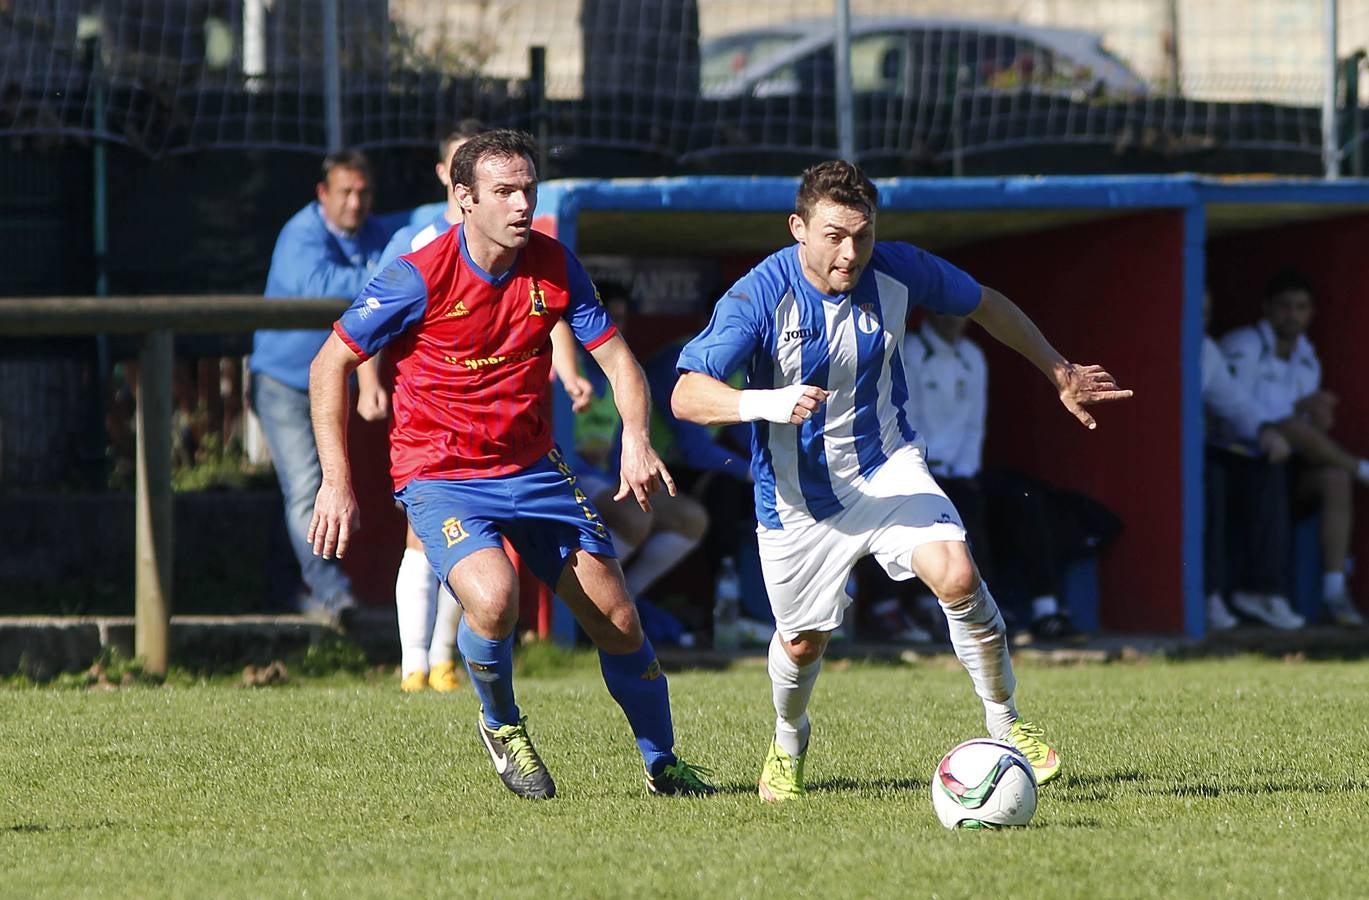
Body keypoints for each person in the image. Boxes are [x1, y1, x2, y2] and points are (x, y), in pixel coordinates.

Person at [671, 160, 1132, 801]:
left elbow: (987, 304)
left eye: (861, 234)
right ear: (798, 228)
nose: (850, 252)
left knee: (959, 575)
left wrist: (1058, 369)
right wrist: (762, 404)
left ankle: (1007, 728)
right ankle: (788, 738)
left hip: (888, 468)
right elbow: (688, 395)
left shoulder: (897, 267)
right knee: (802, 644)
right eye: (833, 235)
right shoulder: (756, 296)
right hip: (798, 501)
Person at [308, 129, 715, 800]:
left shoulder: (554, 265)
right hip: (440, 474)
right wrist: (336, 479)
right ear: (463, 199)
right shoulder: (417, 274)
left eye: (527, 188)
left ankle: (662, 762)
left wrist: (636, 439)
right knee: (495, 598)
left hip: (533, 470)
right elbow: (331, 361)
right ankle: (501, 725)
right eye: (504, 192)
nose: (522, 204)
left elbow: (618, 361)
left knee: (617, 619)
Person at [363, 121, 594, 693]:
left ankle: (443, 660)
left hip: (506, 435)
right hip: (436, 426)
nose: (517, 200)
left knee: (480, 555)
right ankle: (413, 662)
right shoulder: (417, 246)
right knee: (427, 540)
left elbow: (550, 313)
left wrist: (569, 372)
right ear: (453, 178)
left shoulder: (528, 250)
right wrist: (370, 384)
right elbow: (363, 321)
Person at [248, 148, 392, 623]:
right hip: (285, 383)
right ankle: (333, 597)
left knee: (313, 488)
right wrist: (389, 277)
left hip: (335, 384)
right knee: (309, 489)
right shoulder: (300, 233)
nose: (355, 203)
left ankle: (299, 591)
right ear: (322, 194)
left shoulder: (378, 232)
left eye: (364, 192)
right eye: (346, 192)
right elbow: (321, 285)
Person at [896, 310, 1101, 644]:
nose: (954, 317)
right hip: (920, 470)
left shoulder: (973, 357)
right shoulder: (911, 352)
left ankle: (1045, 610)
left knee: (1025, 500)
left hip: (962, 470)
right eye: (946, 307)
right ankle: (983, 616)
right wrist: (928, 470)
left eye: (961, 309)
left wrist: (967, 474)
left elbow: (974, 424)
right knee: (964, 520)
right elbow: (907, 415)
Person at [1220, 269, 1369, 627]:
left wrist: (1316, 419)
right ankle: (1363, 470)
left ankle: (1334, 591)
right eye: (1285, 307)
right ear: (1268, 309)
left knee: (1334, 478)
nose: (1293, 315)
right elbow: (1235, 411)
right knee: (1289, 427)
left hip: (1285, 466)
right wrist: (1300, 415)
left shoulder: (1307, 357)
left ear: (1311, 312)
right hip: (1239, 462)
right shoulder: (1243, 344)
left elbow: (1300, 432)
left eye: (1301, 307)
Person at [571, 283, 712, 644]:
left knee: (690, 518)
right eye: (606, 316)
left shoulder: (621, 371)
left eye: (620, 318)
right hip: (565, 477)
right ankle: (585, 608)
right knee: (636, 517)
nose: (613, 325)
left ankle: (622, 606)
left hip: (604, 478)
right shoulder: (565, 366)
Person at [1200, 290, 1296, 630]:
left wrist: (1264, 430)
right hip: (1156, 463)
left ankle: (1262, 589)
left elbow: (1234, 402)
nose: (1201, 320)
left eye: (1207, 313)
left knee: (1265, 471)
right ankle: (1207, 594)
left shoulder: (1206, 350)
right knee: (1209, 478)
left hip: (1202, 455)